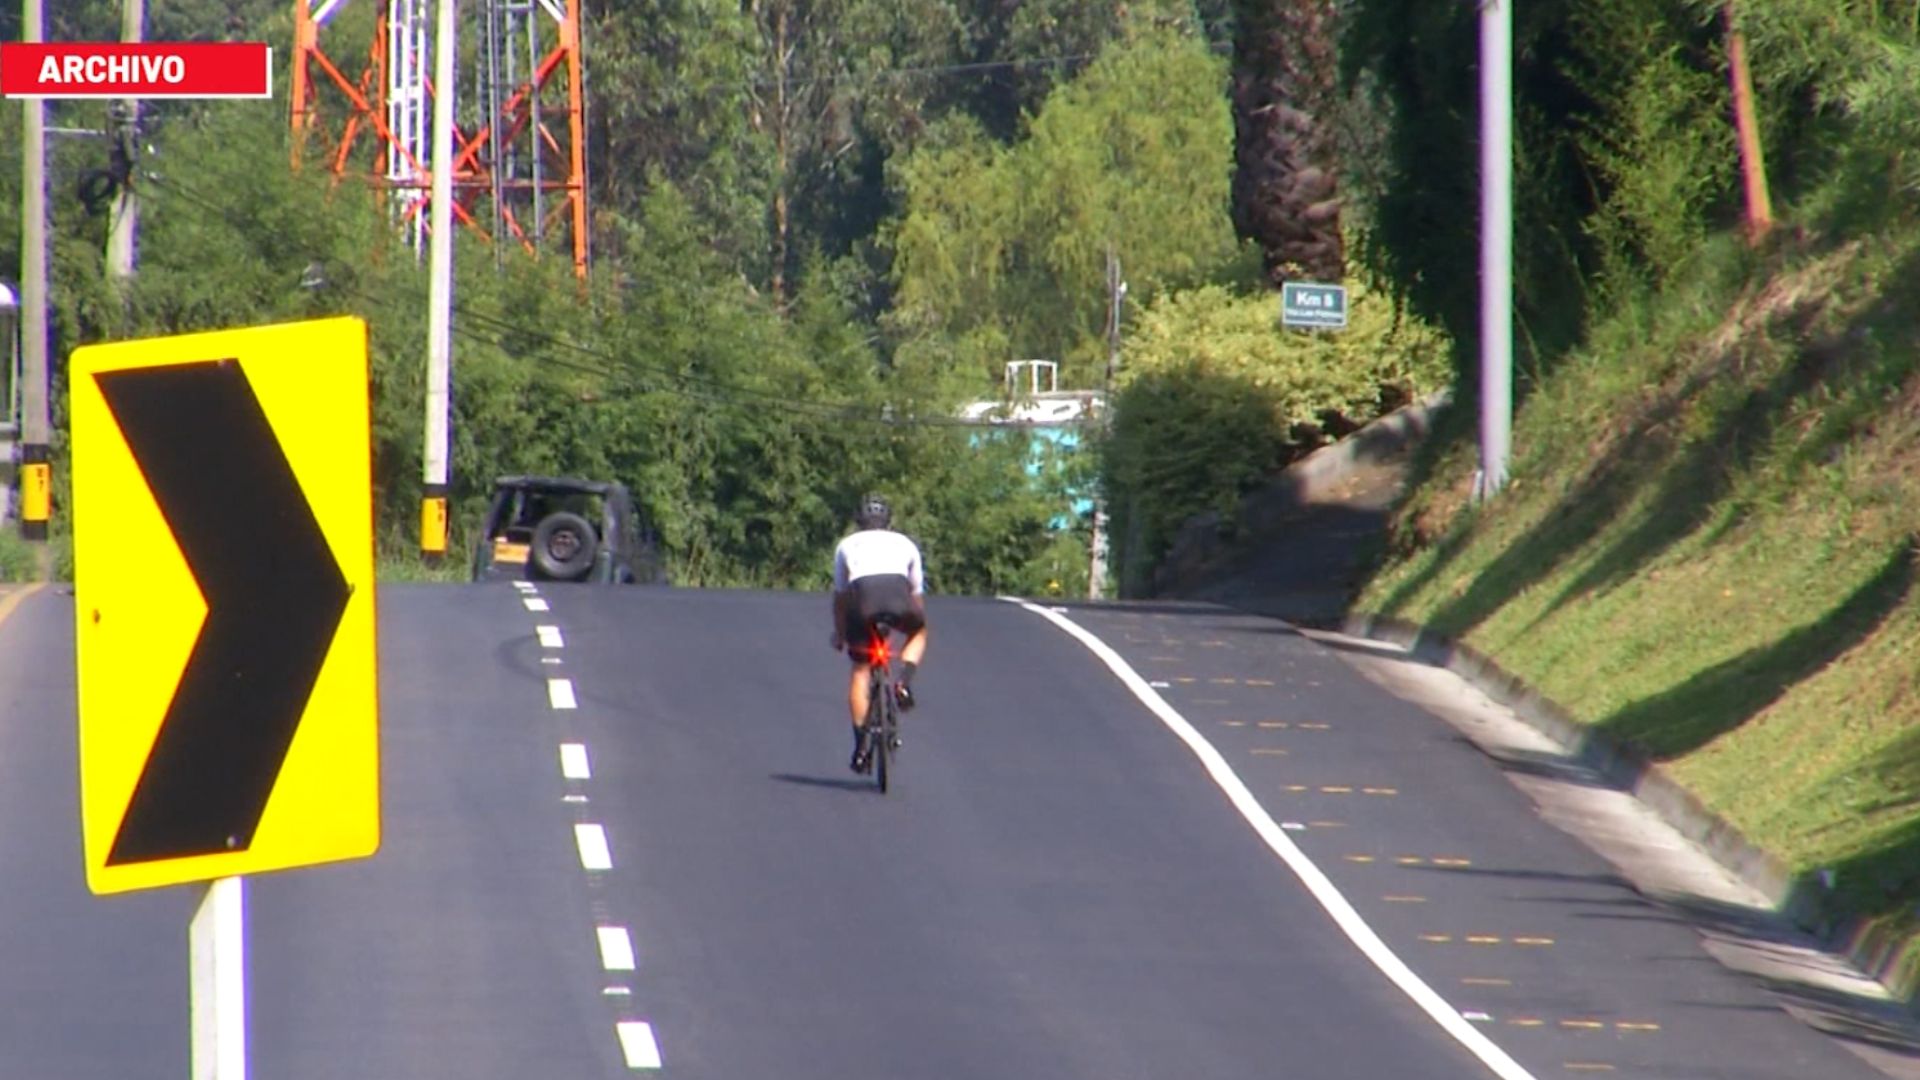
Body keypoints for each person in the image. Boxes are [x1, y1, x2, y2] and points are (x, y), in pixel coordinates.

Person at [829, 494, 929, 773]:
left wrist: (840, 634)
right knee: (918, 632)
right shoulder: (905, 544)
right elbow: (916, 593)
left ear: (859, 521)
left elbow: (840, 597)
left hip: (863, 602)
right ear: (888, 522)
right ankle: (904, 683)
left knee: (861, 670)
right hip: (898, 598)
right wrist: (915, 619)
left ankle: (861, 748)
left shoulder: (847, 545)